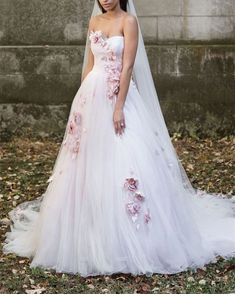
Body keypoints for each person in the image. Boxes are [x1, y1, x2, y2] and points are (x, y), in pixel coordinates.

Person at [2, 0, 235, 277]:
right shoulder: (95, 22)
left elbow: (127, 68)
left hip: (118, 97)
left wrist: (118, 106)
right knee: (85, 162)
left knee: (126, 158)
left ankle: (135, 237)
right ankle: (85, 232)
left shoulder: (129, 22)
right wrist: (81, 103)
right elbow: (89, 65)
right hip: (91, 96)